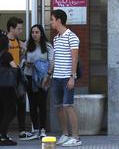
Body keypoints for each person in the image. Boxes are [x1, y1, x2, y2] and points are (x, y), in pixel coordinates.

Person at [46, 9, 81, 147]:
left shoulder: (72, 36)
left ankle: (76, 138)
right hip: (56, 78)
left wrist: (72, 77)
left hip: (67, 77)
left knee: (68, 106)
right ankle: (65, 134)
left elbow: (75, 59)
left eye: (52, 19)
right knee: (59, 107)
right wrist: (49, 74)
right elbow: (55, 58)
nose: (50, 22)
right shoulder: (56, 38)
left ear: (59, 20)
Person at [24, 24, 54, 140]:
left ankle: (43, 130)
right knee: (32, 104)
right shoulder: (27, 44)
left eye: (37, 32)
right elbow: (22, 58)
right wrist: (25, 63)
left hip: (43, 78)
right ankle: (35, 129)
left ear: (41, 33)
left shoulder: (47, 46)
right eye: (33, 32)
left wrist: (48, 75)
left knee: (42, 104)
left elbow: (52, 61)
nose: (34, 34)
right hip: (29, 76)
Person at [6, 17, 32, 140]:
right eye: (19, 28)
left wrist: (23, 51)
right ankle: (3, 133)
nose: (21, 31)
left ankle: (22, 131)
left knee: (21, 103)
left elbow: (21, 55)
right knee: (7, 106)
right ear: (11, 28)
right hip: (7, 77)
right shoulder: (3, 41)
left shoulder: (18, 41)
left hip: (17, 75)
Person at [0, 32, 18, 146]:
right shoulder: (6, 55)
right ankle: (3, 136)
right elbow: (15, 68)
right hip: (7, 87)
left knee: (2, 111)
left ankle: (2, 135)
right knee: (11, 111)